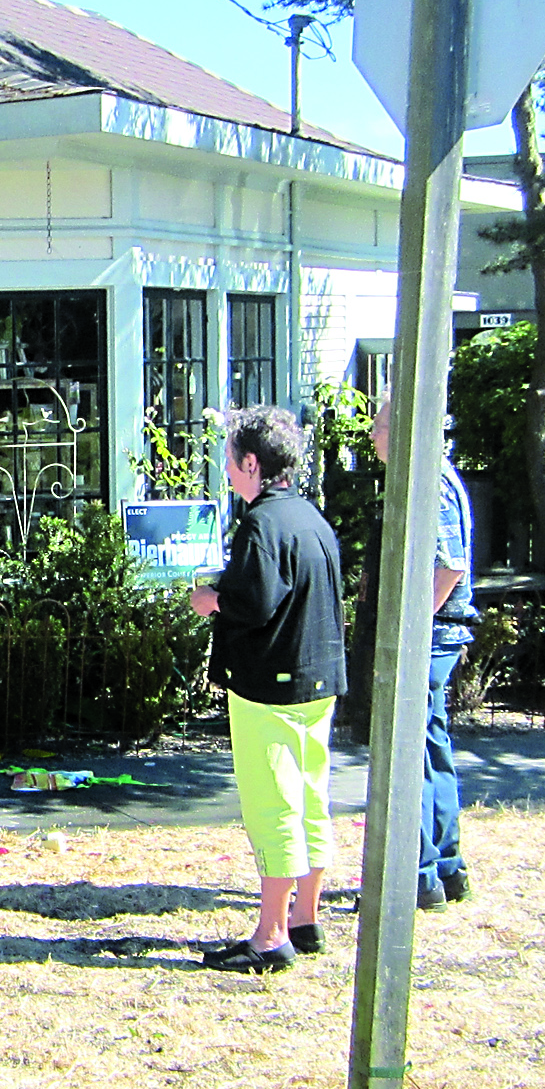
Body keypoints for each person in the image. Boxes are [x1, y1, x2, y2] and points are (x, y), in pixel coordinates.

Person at [190, 405, 346, 974]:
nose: (228, 472)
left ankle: (270, 934)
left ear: (252, 463)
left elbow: (253, 602)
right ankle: (305, 917)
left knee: (273, 807)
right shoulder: (310, 517)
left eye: (232, 462)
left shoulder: (261, 523)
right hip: (318, 681)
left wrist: (211, 600)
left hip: (269, 687)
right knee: (310, 800)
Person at [370, 396, 478, 911]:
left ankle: (419, 873)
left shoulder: (427, 481)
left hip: (430, 641)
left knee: (406, 752)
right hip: (439, 638)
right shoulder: (435, 476)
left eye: (381, 426)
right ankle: (448, 868)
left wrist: (412, 630)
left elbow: (449, 565)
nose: (373, 436)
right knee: (432, 748)